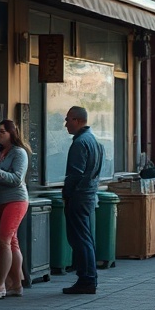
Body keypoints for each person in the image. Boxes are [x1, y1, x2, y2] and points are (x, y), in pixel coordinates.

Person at [0, 119, 31, 300]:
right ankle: (16, 284)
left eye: (3, 131)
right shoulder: (0, 152)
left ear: (12, 133)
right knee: (12, 241)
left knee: (3, 240)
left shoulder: (19, 153)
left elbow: (17, 178)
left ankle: (0, 284)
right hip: (2, 201)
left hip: (16, 200)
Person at [61, 106, 104, 295]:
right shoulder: (94, 141)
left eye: (68, 119)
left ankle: (86, 279)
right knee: (85, 238)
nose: (65, 124)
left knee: (79, 238)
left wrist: (67, 194)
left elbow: (75, 174)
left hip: (79, 197)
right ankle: (88, 277)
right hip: (88, 195)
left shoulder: (80, 143)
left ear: (77, 120)